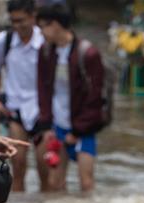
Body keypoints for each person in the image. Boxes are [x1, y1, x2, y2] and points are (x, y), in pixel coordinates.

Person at [36, 2, 105, 192]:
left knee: (86, 183)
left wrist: (78, 131)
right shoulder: (46, 52)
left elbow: (95, 98)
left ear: (56, 25)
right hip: (57, 126)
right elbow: (42, 89)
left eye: (43, 26)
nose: (41, 32)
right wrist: (45, 125)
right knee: (54, 183)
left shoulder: (88, 53)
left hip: (83, 129)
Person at [0, 0, 47, 192]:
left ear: (32, 17)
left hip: (43, 111)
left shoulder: (45, 42)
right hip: (15, 109)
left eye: (21, 20)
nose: (17, 26)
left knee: (44, 166)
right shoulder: (3, 41)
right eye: (13, 21)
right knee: (17, 165)